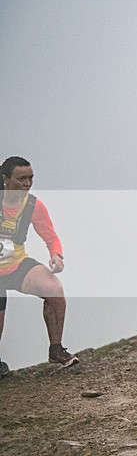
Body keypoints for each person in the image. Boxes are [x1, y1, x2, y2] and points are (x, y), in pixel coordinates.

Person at [0, 156, 77, 379]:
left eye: (30, 178)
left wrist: (56, 256)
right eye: (21, 179)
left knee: (54, 289)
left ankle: (56, 350)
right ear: (5, 179)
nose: (27, 183)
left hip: (16, 266)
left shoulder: (33, 205)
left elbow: (51, 237)